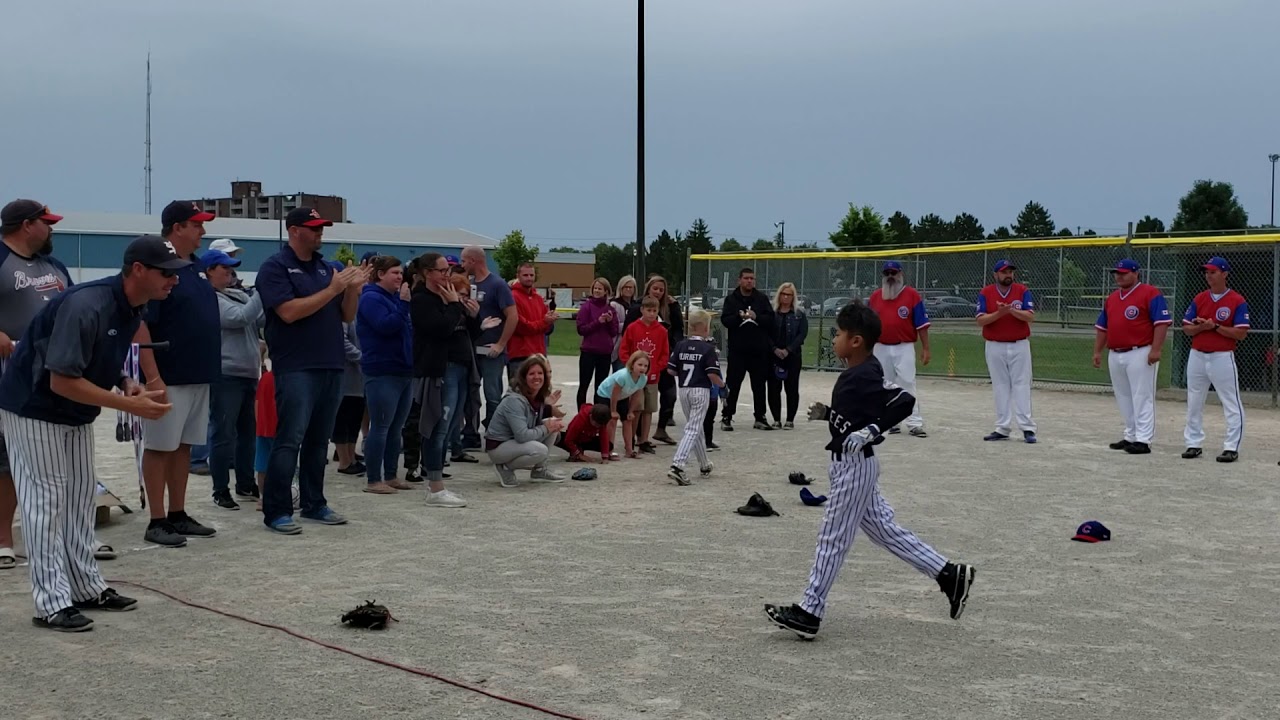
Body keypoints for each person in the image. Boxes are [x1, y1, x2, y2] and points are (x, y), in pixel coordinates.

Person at [764, 301, 975, 640]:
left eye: (839, 334)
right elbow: (856, 417)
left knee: (831, 538)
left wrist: (873, 430)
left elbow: (903, 401)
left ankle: (809, 610)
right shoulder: (859, 373)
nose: (834, 339)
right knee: (884, 531)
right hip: (852, 465)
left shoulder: (864, 373)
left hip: (854, 468)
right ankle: (949, 574)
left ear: (856, 341)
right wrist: (831, 416)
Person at [0, 234, 180, 631]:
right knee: (44, 501)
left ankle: (84, 587)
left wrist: (126, 381)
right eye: (166, 273)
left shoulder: (133, 305)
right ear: (137, 270)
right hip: (34, 405)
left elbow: (98, 356)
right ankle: (50, 603)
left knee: (81, 496)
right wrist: (130, 405)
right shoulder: (87, 303)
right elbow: (61, 380)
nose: (174, 280)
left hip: (73, 411)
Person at [0, 200, 112, 570]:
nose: (52, 230)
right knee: (6, 462)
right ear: (26, 225)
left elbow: (76, 306)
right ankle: (3, 538)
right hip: (9, 377)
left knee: (63, 466)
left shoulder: (55, 266)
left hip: (51, 376)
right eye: (46, 223)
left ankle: (74, 536)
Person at [255, 207, 367, 535]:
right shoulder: (275, 268)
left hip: (331, 364)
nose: (320, 233)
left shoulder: (325, 267)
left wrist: (351, 291)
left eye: (322, 228)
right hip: (296, 366)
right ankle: (276, 510)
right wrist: (333, 289)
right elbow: (288, 312)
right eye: (314, 227)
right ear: (294, 231)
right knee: (289, 439)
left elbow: (346, 316)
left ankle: (314, 503)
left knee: (319, 442)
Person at [134, 200, 220, 547]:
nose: (202, 231)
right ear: (177, 227)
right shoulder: (160, 266)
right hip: (169, 375)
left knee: (183, 446)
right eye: (196, 224)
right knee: (160, 447)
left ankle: (177, 513)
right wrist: (153, 378)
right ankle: (156, 519)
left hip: (198, 373)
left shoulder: (196, 267)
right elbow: (141, 324)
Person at [406, 253, 470, 507]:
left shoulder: (444, 296)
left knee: (449, 425)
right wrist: (454, 305)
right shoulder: (422, 300)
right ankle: (434, 487)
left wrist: (463, 309)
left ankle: (437, 482)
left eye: (448, 270)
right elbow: (441, 329)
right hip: (438, 371)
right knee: (436, 427)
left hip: (458, 366)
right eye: (442, 271)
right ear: (427, 273)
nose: (447, 275)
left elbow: (462, 330)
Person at [1092, 259, 1172, 456]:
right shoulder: (1112, 298)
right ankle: (1131, 435)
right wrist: (1097, 351)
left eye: (1124, 273)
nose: (1119, 276)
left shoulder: (1150, 293)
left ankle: (1143, 440)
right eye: (1117, 273)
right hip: (1116, 352)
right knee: (1124, 396)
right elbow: (1103, 327)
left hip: (1140, 351)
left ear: (1136, 273)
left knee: (1142, 396)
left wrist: (1156, 349)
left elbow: (1161, 323)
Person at [206, 248, 264, 509]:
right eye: (224, 268)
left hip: (249, 373)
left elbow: (259, 318)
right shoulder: (210, 298)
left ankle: (245, 482)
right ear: (208, 271)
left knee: (247, 433)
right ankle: (220, 489)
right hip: (226, 374)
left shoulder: (238, 294)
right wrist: (263, 291)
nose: (231, 272)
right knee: (223, 433)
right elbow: (239, 318)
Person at [357, 255, 416, 492]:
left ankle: (391, 475)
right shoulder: (371, 298)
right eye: (395, 273)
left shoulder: (393, 298)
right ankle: (373, 479)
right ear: (380, 274)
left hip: (402, 369)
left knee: (395, 427)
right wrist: (403, 305)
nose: (400, 277)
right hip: (382, 370)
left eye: (401, 273)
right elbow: (385, 326)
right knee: (380, 426)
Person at [1180, 256, 1249, 463]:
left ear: (1225, 274)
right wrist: (1202, 327)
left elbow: (1241, 333)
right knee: (1194, 400)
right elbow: (1186, 328)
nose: (1208, 276)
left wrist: (1215, 327)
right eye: (1207, 272)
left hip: (1222, 356)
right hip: (1198, 355)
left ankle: (1231, 446)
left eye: (1213, 272)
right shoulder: (1200, 298)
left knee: (1230, 401)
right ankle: (1193, 443)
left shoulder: (1237, 300)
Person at [975, 260, 1037, 443]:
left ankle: (1027, 428)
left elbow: (1030, 316)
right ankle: (1002, 427)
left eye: (1010, 271)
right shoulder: (986, 293)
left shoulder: (1022, 290)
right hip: (994, 344)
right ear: (996, 275)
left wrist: (1010, 311)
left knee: (1021, 384)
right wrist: (999, 314)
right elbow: (980, 320)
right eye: (1004, 272)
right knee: (1000, 385)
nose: (1008, 275)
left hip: (1019, 344)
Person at [867, 262, 931, 437]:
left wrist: (926, 348)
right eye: (887, 272)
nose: (890, 276)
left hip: (904, 346)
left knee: (907, 382)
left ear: (900, 274)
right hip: (880, 346)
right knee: (884, 384)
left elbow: (922, 326)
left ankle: (914, 422)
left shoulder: (911, 295)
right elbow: (867, 325)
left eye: (893, 272)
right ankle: (890, 422)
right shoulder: (875, 297)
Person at [485, 356, 568, 487]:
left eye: (540, 373)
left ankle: (539, 470)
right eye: (532, 374)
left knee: (552, 423)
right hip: (499, 446)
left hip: (514, 442)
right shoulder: (514, 400)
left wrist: (548, 411)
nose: (537, 377)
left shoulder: (537, 396)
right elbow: (522, 435)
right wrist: (546, 428)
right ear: (523, 377)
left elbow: (534, 424)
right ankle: (504, 467)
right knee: (540, 449)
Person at [461, 245, 516, 428]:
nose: (462, 264)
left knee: (492, 394)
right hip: (470, 349)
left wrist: (501, 344)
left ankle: (494, 433)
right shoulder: (467, 284)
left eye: (463, 260)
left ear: (473, 261)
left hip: (491, 350)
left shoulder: (497, 284)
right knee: (470, 393)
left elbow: (513, 316)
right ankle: (470, 434)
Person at [666, 310, 723, 486]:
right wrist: (723, 386)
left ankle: (704, 464)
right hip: (700, 390)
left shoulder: (681, 345)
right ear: (705, 328)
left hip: (684, 390)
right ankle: (678, 465)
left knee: (695, 426)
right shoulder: (708, 349)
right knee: (692, 428)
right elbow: (713, 375)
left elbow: (671, 370)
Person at [623, 276, 684, 443]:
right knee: (638, 402)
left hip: (662, 358)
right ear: (648, 289)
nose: (658, 292)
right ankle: (638, 437)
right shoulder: (638, 308)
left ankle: (661, 429)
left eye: (661, 289)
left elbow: (679, 329)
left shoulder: (670, 306)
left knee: (669, 395)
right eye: (655, 288)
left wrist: (673, 347)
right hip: (640, 363)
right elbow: (626, 335)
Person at [720, 267, 775, 432]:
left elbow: (770, 319)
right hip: (738, 351)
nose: (749, 281)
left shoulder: (761, 299)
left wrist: (756, 316)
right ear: (739, 280)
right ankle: (727, 416)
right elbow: (725, 320)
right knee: (733, 384)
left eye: (752, 278)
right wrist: (739, 316)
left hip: (758, 351)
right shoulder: (732, 299)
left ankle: (760, 417)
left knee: (759, 385)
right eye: (746, 278)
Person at [620, 296, 670, 454]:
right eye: (648, 310)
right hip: (635, 377)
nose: (651, 313)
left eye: (655, 311)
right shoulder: (633, 328)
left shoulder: (662, 331)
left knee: (649, 408)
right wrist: (631, 367)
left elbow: (664, 353)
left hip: (652, 376)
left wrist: (656, 368)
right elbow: (624, 350)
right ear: (642, 310)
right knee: (636, 408)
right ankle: (632, 437)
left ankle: (644, 439)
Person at [767, 282, 809, 430]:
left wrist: (789, 349)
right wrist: (774, 349)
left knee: (791, 388)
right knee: (773, 388)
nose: (786, 297)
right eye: (783, 294)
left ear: (793, 297)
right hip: (774, 355)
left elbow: (802, 334)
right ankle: (776, 419)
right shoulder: (772, 313)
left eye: (789, 295)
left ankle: (790, 419)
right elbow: (766, 333)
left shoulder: (799, 314)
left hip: (792, 355)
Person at [596, 352, 649, 459]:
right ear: (632, 364)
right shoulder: (623, 376)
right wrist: (613, 411)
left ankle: (629, 450)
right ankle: (609, 450)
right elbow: (614, 394)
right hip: (605, 395)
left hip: (622, 397)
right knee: (612, 420)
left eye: (645, 366)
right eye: (639, 365)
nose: (642, 368)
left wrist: (630, 411)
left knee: (628, 420)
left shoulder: (643, 379)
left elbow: (636, 395)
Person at [508, 262, 558, 373]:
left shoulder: (538, 298)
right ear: (518, 276)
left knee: (540, 389)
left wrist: (550, 321)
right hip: (520, 355)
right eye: (525, 275)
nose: (529, 278)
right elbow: (522, 327)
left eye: (531, 275)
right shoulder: (512, 297)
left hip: (539, 354)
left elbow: (546, 329)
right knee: (518, 389)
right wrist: (545, 322)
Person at [575, 277, 618, 407]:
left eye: (600, 289)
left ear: (606, 291)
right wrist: (597, 322)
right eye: (595, 288)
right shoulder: (586, 307)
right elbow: (581, 329)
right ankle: (581, 414)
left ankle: (598, 414)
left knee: (601, 387)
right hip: (589, 352)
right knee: (584, 384)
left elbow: (614, 332)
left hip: (604, 353)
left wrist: (609, 322)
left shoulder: (610, 309)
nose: (597, 291)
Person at [332, 316, 365, 475]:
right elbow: (340, 340)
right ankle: (343, 460)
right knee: (343, 417)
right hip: (346, 375)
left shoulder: (359, 311)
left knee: (355, 417)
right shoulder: (345, 315)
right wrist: (361, 356)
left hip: (359, 379)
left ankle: (351, 457)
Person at [610, 276, 639, 370]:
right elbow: (614, 326)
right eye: (625, 287)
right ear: (620, 288)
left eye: (631, 287)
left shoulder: (637, 305)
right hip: (619, 344)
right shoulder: (614, 304)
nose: (628, 289)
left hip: (635, 344)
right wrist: (631, 325)